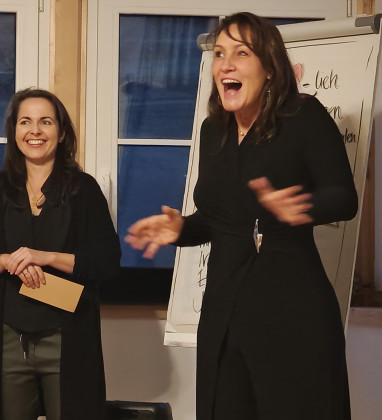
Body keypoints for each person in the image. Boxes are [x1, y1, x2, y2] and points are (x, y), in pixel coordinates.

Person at [125, 12, 356, 420]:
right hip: (224, 312)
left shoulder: (302, 116)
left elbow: (344, 198)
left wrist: (301, 207)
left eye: (241, 53)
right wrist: (182, 228)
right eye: (219, 54)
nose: (225, 64)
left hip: (290, 311)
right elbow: (220, 218)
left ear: (270, 69)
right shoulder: (213, 132)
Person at [0, 88, 121, 420]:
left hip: (67, 336)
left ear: (61, 133)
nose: (35, 130)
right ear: (14, 132)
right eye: (25, 122)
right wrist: (4, 261)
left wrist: (44, 257)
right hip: (8, 338)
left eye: (45, 122)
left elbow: (107, 262)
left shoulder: (84, 189)